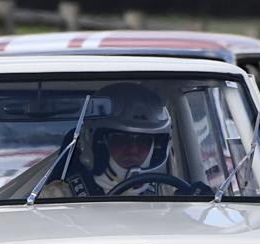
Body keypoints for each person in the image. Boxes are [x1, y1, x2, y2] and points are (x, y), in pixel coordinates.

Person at [40, 83, 175, 198]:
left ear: (156, 148)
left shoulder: (168, 194)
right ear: (100, 145)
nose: (133, 149)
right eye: (121, 140)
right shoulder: (57, 197)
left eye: (143, 141)